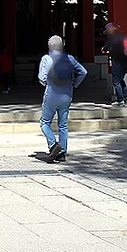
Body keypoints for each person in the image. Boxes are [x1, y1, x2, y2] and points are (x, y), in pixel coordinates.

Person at [38, 35, 87, 163]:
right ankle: (62, 152)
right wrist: (74, 84)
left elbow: (42, 78)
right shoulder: (70, 58)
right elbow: (83, 72)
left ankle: (54, 145)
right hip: (67, 94)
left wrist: (50, 84)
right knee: (63, 124)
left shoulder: (46, 58)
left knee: (45, 122)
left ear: (49, 46)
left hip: (52, 94)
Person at [104, 22, 127, 106]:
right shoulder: (125, 37)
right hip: (126, 61)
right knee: (120, 78)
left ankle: (120, 100)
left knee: (115, 81)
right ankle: (126, 96)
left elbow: (105, 49)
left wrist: (105, 50)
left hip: (117, 61)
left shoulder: (112, 38)